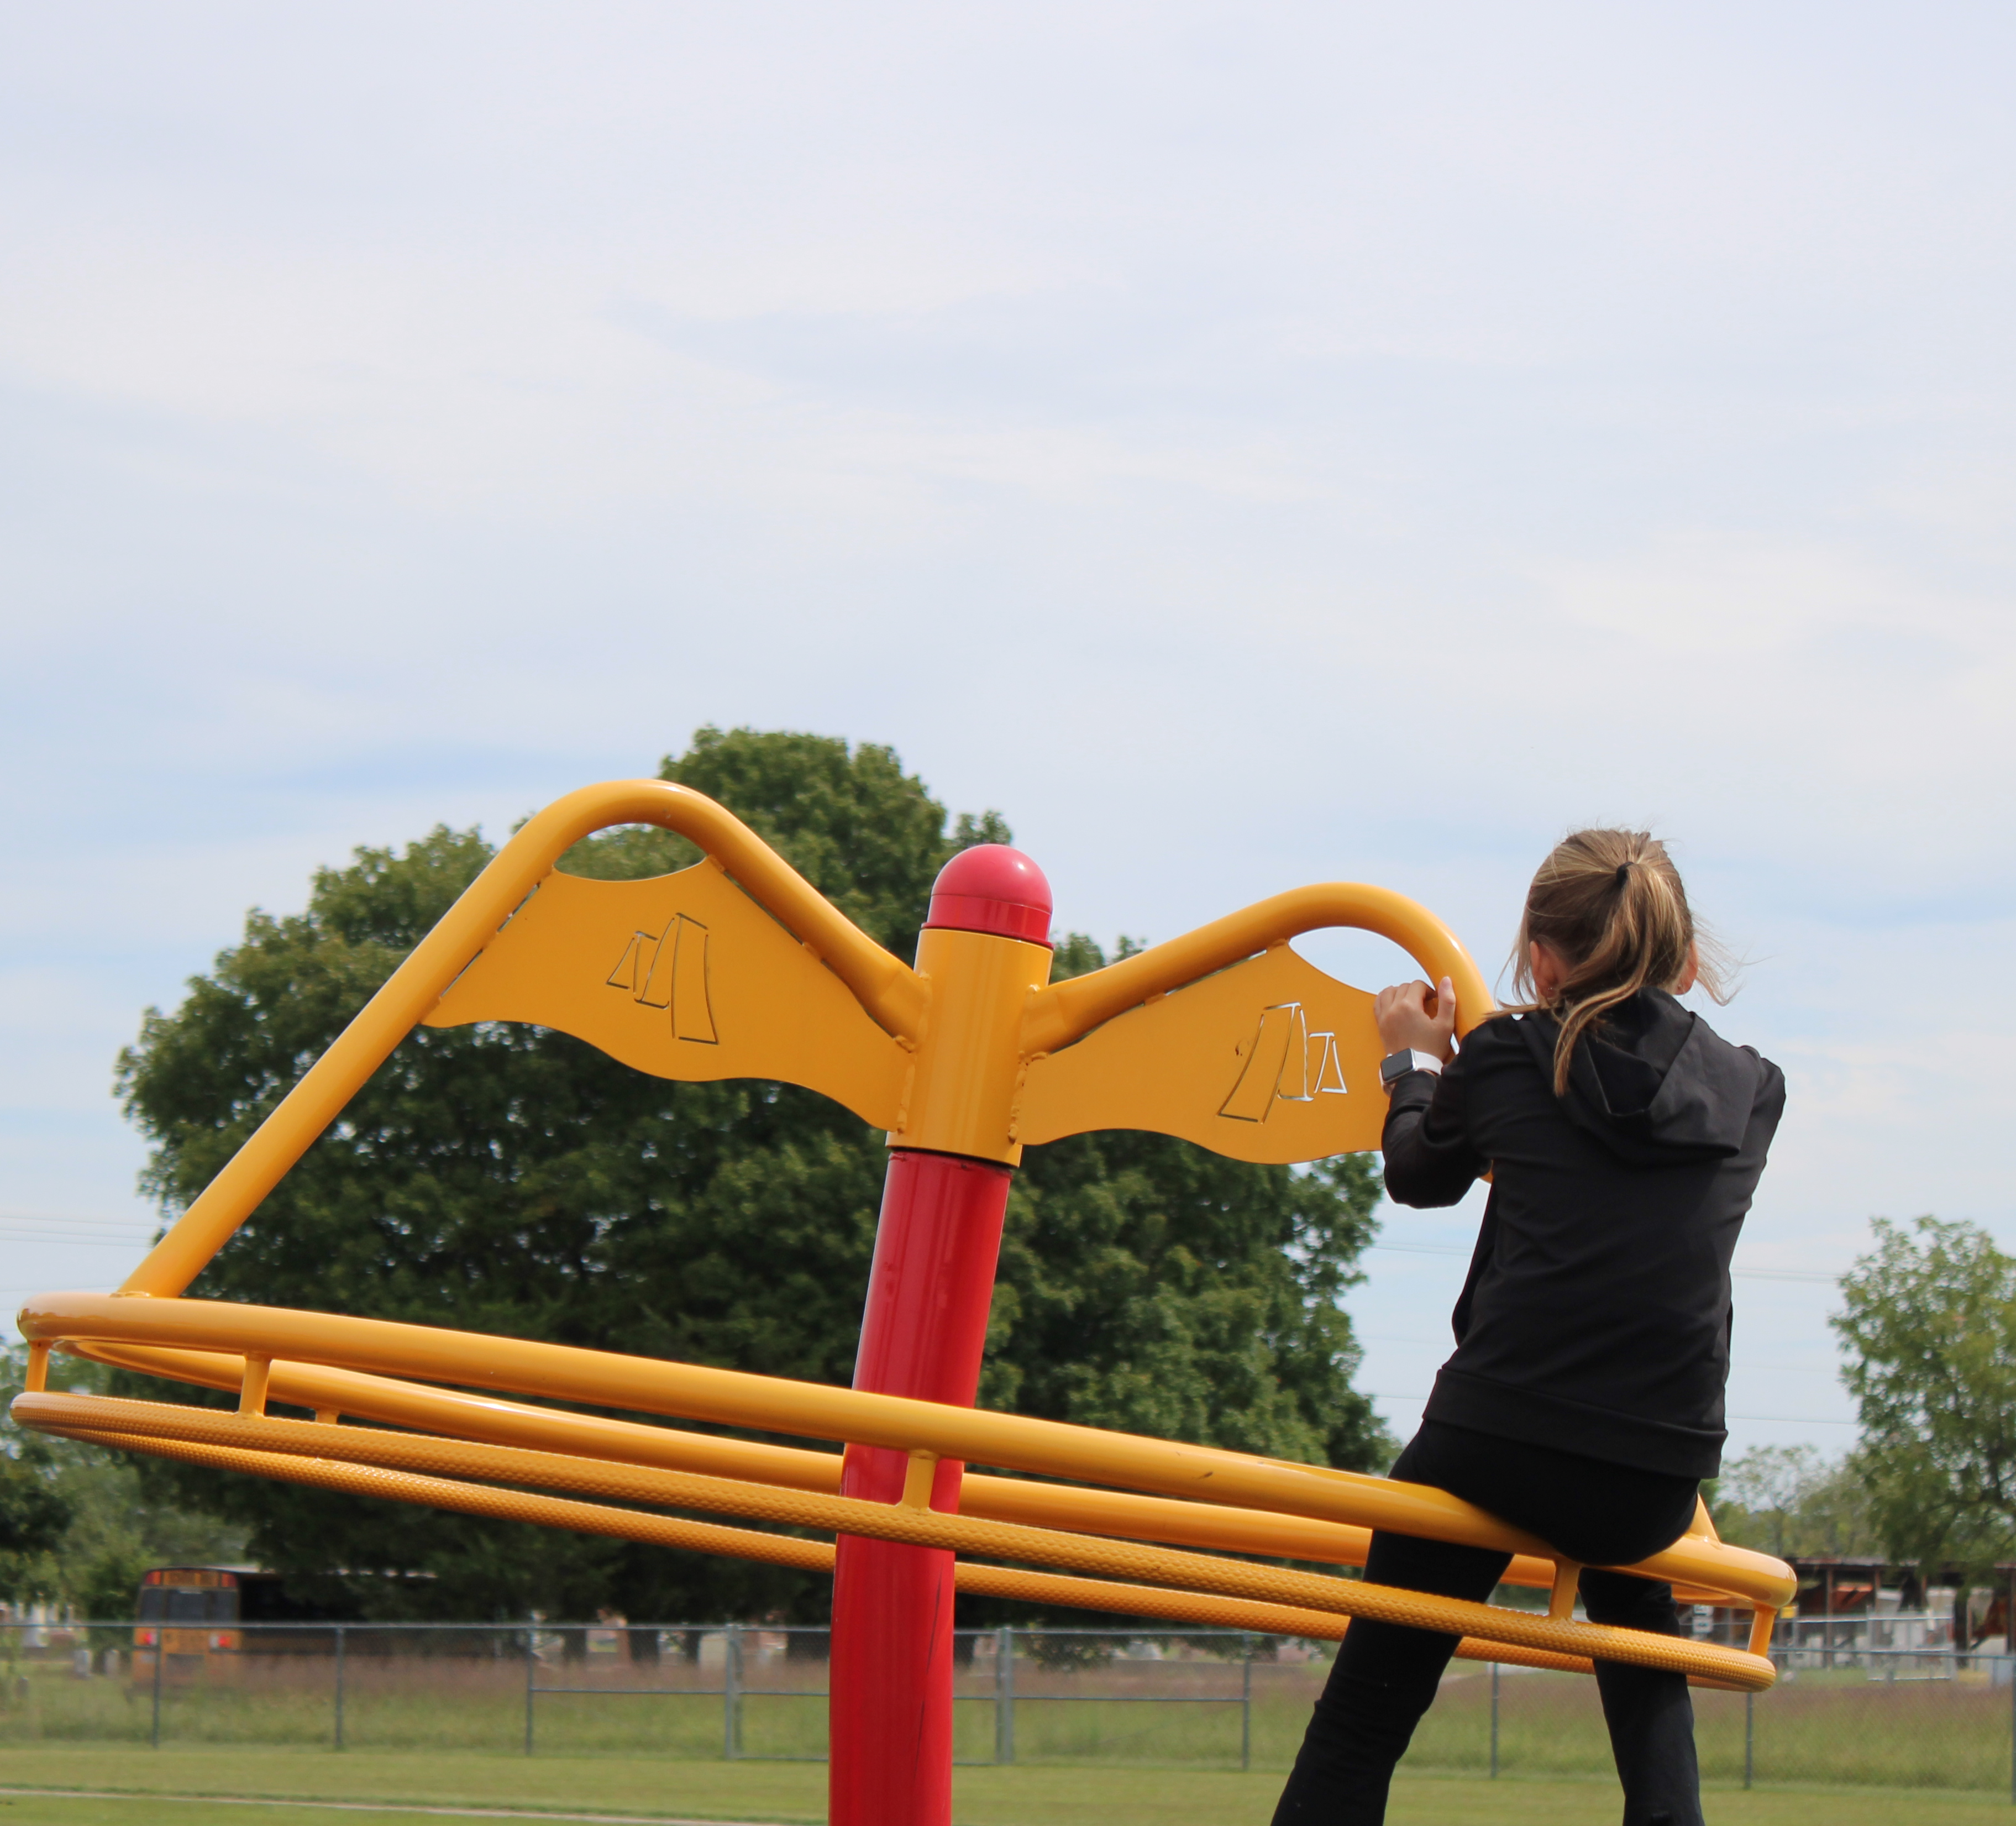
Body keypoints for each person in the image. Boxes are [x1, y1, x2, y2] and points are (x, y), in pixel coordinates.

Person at [1272, 828, 1784, 1826]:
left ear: (1540, 959)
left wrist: (1414, 1066)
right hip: (1652, 1471)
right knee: (1646, 1669)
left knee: (1363, 1720)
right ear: (1684, 960)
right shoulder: (1752, 1092)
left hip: (1495, 1441)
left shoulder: (1506, 1058)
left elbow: (1419, 1176)